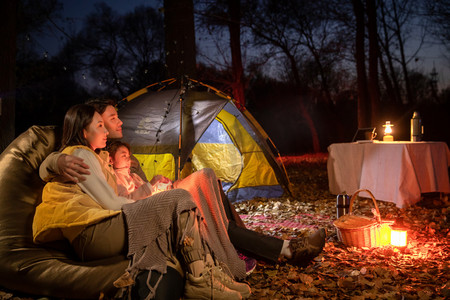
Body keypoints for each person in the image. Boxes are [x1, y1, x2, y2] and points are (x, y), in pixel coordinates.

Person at [39, 98, 326, 270]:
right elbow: (67, 164)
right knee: (200, 189)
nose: (119, 122)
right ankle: (272, 248)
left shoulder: (108, 154)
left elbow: (125, 187)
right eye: (109, 119)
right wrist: (51, 162)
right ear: (89, 125)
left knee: (206, 179)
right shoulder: (88, 155)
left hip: (136, 203)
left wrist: (151, 183)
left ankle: (253, 242)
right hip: (120, 216)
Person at [33, 104, 252, 300]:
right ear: (83, 131)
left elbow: (116, 198)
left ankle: (205, 273)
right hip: (91, 232)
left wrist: (151, 195)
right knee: (179, 198)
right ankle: (200, 279)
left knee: (179, 199)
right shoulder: (80, 155)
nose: (106, 130)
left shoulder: (98, 157)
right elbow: (110, 203)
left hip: (96, 227)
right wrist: (153, 206)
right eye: (100, 125)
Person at [107, 141, 172, 200]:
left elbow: (147, 189)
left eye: (129, 156)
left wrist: (161, 185)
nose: (128, 159)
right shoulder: (116, 178)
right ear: (111, 160)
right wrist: (152, 183)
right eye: (124, 156)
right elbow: (125, 200)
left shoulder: (134, 176)